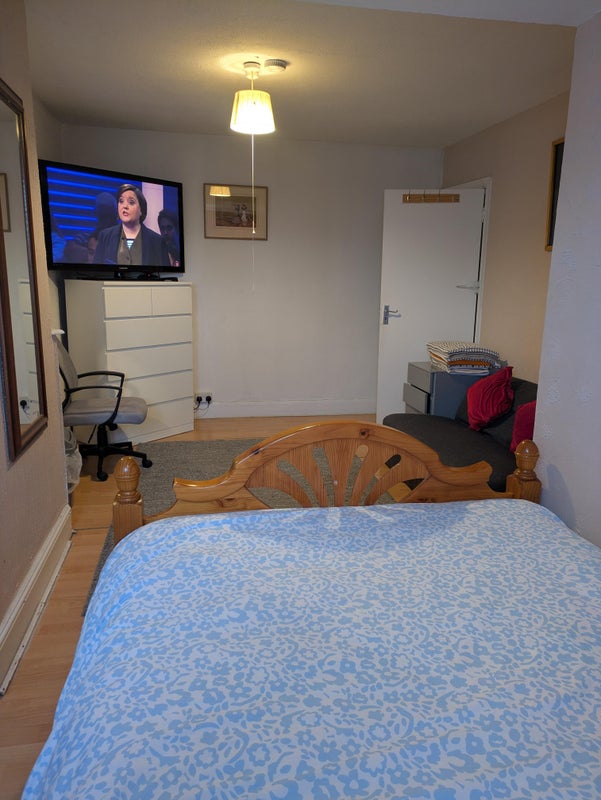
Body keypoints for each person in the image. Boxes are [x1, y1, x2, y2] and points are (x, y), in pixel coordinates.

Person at [93, 184, 170, 268]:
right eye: (121, 201)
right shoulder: (105, 236)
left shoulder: (158, 242)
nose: (125, 206)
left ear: (141, 210)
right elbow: (96, 271)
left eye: (131, 202)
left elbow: (165, 274)